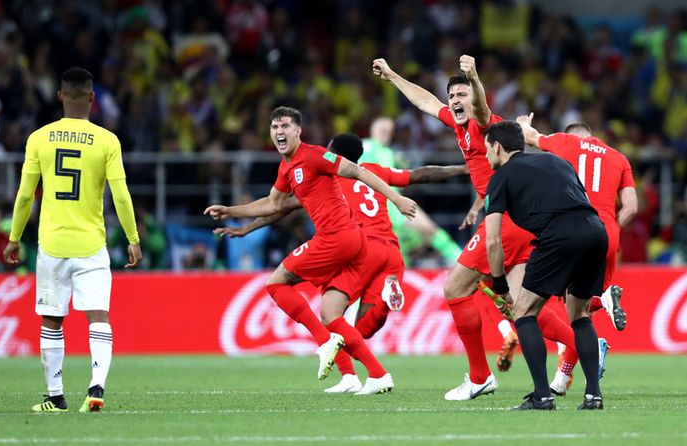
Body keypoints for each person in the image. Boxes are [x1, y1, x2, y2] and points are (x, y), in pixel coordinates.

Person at [373, 55, 580, 400]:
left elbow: (482, 107)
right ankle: (584, 347)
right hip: (521, 220)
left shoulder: (486, 124)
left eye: (461, 95)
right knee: (522, 306)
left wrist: (475, 78)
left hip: (505, 220)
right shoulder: (457, 124)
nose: (455, 100)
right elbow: (426, 100)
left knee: (455, 289)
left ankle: (479, 376)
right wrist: (394, 75)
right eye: (452, 95)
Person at [216, 133, 468, 393]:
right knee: (359, 331)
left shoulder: (327, 176)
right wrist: (461, 168)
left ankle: (358, 372)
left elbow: (281, 207)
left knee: (331, 315)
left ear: (332, 152)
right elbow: (420, 174)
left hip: (359, 249)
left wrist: (247, 227)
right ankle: (352, 373)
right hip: (391, 251)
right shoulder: (373, 171)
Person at [3, 67, 142, 413]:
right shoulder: (108, 141)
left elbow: (24, 196)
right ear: (93, 98)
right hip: (92, 246)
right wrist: (133, 237)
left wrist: (14, 238)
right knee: (99, 317)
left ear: (60, 95)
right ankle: (96, 389)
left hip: (52, 245)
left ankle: (55, 396)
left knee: (52, 319)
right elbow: (121, 196)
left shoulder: (39, 138)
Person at [484, 120, 607, 411]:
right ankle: (593, 395)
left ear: (497, 147)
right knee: (579, 315)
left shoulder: (501, 176)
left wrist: (500, 284)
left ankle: (542, 395)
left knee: (524, 311)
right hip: (594, 230)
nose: (487, 155)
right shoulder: (556, 161)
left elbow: (492, 241)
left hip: (558, 234)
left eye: (487, 149)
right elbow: (581, 198)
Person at [516, 116, 638, 394]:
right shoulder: (619, 157)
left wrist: (523, 123)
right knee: (581, 309)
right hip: (606, 232)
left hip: (570, 228)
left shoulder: (565, 143)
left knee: (554, 307)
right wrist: (611, 232)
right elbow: (631, 207)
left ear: (574, 135)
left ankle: (603, 300)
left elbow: (529, 136)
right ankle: (566, 379)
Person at [361, 117, 463, 266]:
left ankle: (458, 261)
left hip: (395, 202)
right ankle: (460, 261)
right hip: (380, 204)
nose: (386, 132)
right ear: (372, 129)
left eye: (389, 130)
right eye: (382, 128)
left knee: (421, 233)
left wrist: (401, 164)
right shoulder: (367, 146)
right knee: (426, 231)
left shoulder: (389, 152)